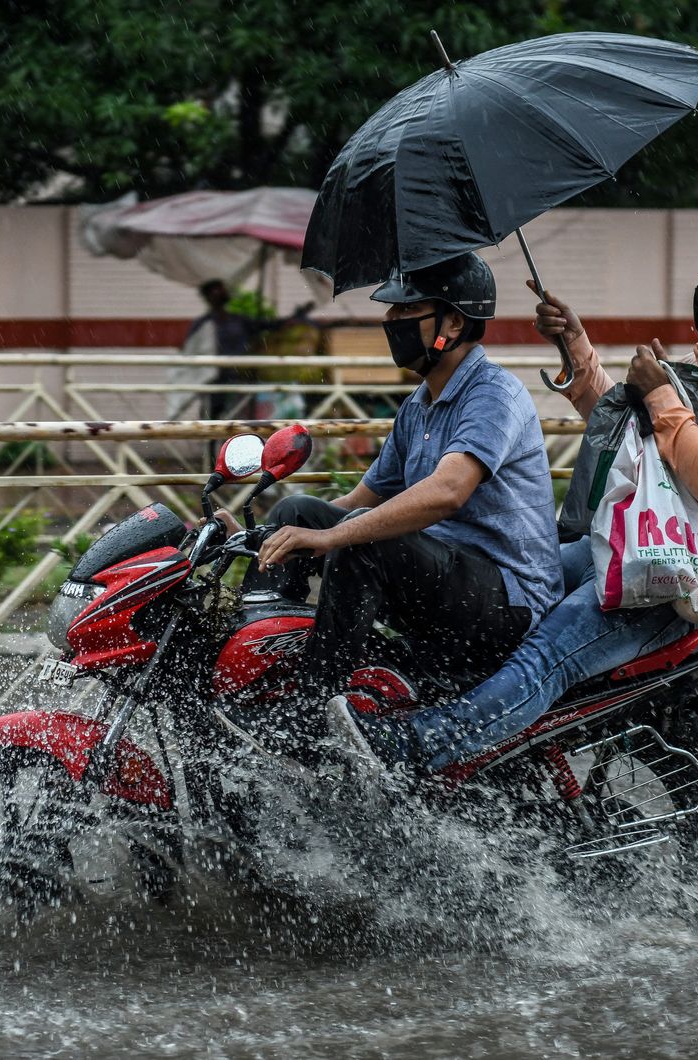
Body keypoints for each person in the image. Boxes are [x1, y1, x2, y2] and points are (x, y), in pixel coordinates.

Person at [329, 229, 698, 771]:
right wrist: (574, 344)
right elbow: (627, 437)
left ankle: (418, 745)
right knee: (520, 583)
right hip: (637, 541)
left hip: (686, 573)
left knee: (548, 651)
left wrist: (660, 394)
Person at [215, 252, 563, 755]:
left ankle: (314, 706)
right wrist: (262, 538)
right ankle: (265, 659)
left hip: (504, 600)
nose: (389, 321)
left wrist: (336, 536)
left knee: (361, 540)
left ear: (453, 322)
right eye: (391, 312)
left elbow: (448, 490)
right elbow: (357, 501)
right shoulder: (417, 406)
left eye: (405, 312)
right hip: (440, 579)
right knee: (299, 511)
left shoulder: (494, 395)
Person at [185, 279, 312, 421]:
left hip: (240, 375)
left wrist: (293, 319)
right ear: (208, 297)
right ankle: (212, 442)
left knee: (240, 415)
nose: (221, 293)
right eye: (216, 291)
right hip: (215, 377)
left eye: (222, 290)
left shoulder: (238, 320)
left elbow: (267, 326)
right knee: (213, 415)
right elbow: (191, 348)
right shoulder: (203, 324)